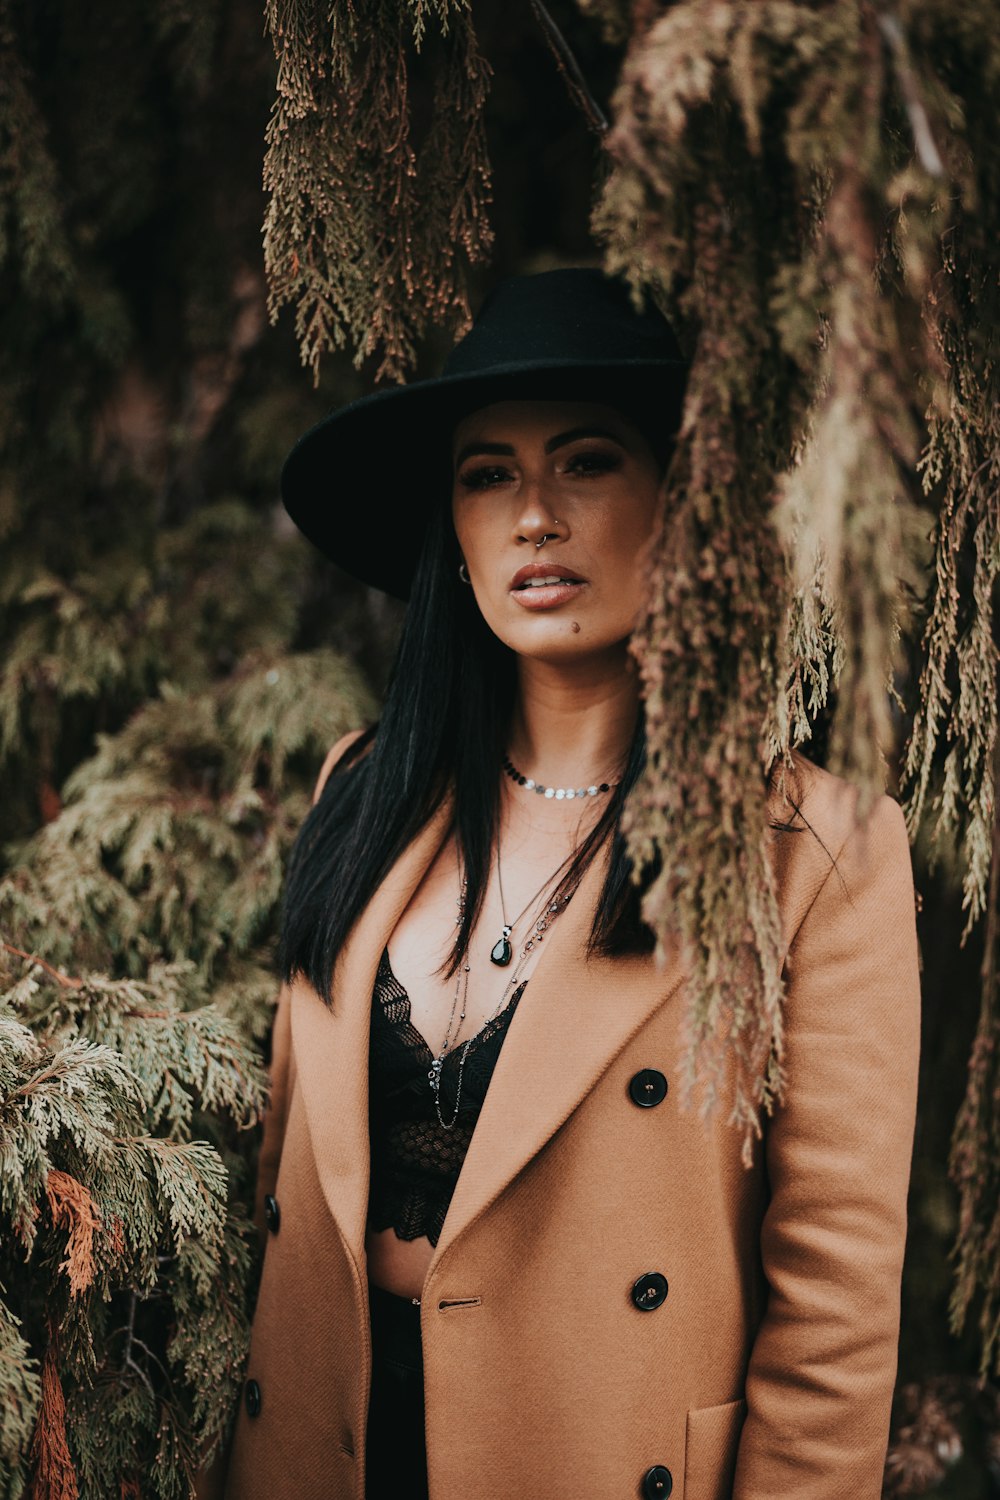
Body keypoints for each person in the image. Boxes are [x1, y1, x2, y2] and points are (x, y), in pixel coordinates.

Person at [217, 269, 920, 1500]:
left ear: (681, 505)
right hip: (322, 1449)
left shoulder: (811, 850)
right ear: (454, 525)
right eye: (487, 473)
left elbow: (835, 1312)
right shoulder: (365, 792)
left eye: (586, 462)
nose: (532, 514)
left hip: (593, 1451)